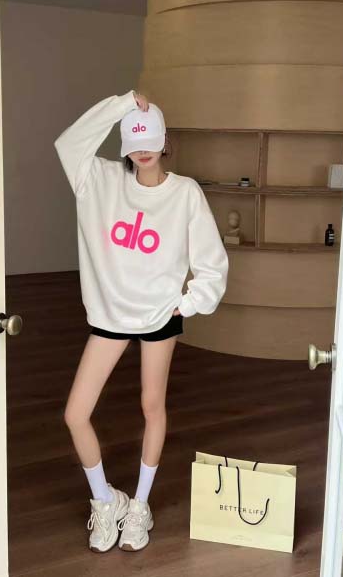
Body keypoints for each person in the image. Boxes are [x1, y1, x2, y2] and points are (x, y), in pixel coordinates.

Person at [53, 89, 229, 553]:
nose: (143, 151)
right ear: (124, 145)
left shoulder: (185, 193)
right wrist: (122, 104)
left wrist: (190, 303)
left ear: (165, 141)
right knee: (75, 413)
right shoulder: (98, 179)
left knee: (152, 405)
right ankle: (105, 499)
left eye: (150, 141)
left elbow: (212, 263)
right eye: (134, 142)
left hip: (158, 317)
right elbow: (69, 143)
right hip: (110, 315)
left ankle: (140, 507)